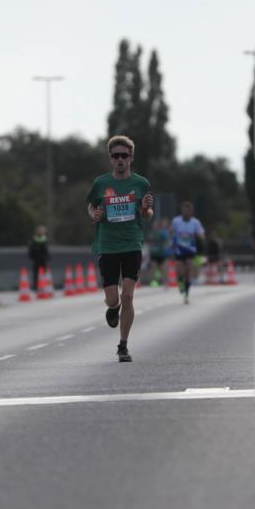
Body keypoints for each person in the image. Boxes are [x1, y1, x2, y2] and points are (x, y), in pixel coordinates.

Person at [86, 135, 154, 362]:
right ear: (110, 158)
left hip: (132, 243)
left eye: (124, 155)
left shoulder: (141, 183)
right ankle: (112, 308)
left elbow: (147, 214)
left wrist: (145, 209)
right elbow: (91, 206)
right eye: (116, 156)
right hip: (107, 245)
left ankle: (123, 345)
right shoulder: (101, 183)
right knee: (113, 299)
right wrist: (93, 214)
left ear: (131, 157)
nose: (120, 160)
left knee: (128, 296)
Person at [170, 201, 205, 304]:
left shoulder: (195, 222)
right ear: (182, 211)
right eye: (184, 210)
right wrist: (173, 238)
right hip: (179, 249)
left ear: (191, 212)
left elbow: (202, 235)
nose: (186, 213)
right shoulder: (176, 221)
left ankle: (187, 294)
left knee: (189, 269)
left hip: (190, 249)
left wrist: (197, 236)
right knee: (180, 271)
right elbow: (171, 232)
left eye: (188, 211)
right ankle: (180, 282)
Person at [149, 218, 171, 287]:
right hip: (154, 254)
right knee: (153, 268)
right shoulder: (151, 234)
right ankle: (154, 282)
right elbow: (149, 243)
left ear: (159, 226)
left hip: (162, 254)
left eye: (156, 225)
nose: (154, 226)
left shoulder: (163, 233)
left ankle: (165, 283)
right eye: (153, 225)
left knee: (164, 269)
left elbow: (167, 240)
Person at [27, 225, 50, 291]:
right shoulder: (34, 239)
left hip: (43, 259)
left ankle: (44, 286)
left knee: (44, 273)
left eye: (42, 230)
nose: (40, 231)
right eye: (39, 230)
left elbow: (46, 250)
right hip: (36, 259)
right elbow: (31, 249)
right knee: (36, 274)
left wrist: (47, 257)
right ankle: (36, 286)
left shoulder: (44, 239)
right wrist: (31, 256)